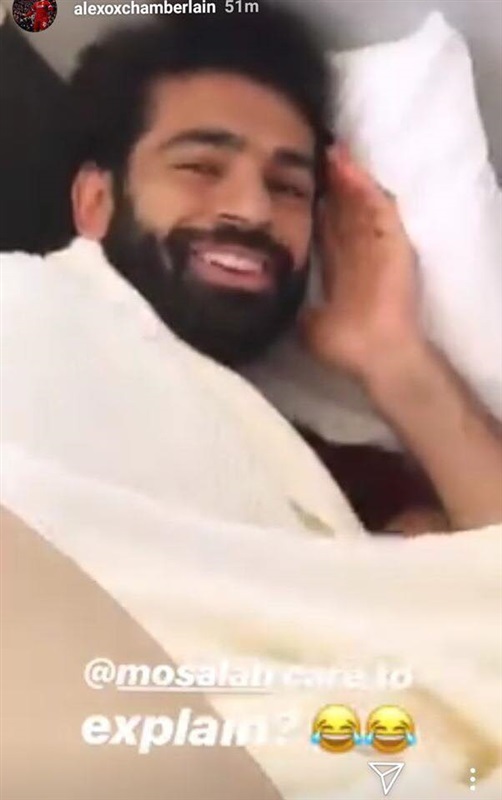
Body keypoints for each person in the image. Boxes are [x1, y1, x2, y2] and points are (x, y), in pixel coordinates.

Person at [2, 2, 501, 533]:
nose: (254, 209)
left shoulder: (334, 478)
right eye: (200, 166)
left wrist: (391, 354)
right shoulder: (22, 318)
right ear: (96, 199)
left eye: (287, 187)